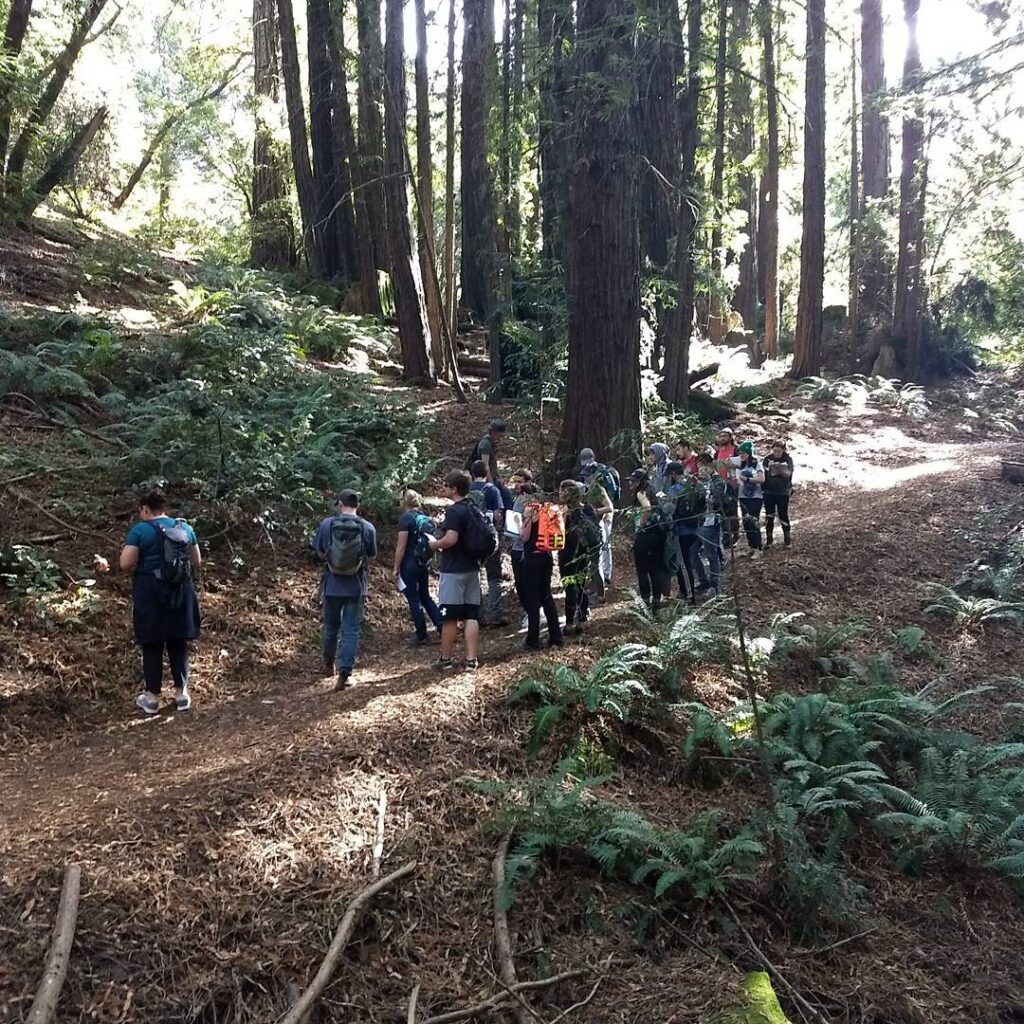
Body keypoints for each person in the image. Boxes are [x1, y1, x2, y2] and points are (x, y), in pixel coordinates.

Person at [120, 489, 201, 714]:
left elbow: (125, 563)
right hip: (181, 590)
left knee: (152, 643)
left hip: (150, 592)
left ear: (145, 509)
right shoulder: (183, 527)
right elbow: (197, 560)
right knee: (177, 641)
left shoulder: (140, 530)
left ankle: (152, 697)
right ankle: (181, 694)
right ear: (163, 508)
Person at [312, 489, 378, 688]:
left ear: (340, 504)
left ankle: (328, 664)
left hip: (331, 585)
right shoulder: (367, 527)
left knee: (331, 626)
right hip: (356, 586)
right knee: (351, 629)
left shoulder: (327, 524)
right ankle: (345, 673)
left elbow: (320, 552)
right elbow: (372, 556)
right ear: (357, 505)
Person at [429, 470, 483, 672]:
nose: (443, 488)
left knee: (450, 616)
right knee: (471, 615)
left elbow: (451, 540)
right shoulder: (473, 508)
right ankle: (471, 659)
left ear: (454, 489)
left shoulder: (454, 512)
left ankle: (446, 659)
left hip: (453, 570)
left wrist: (434, 544)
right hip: (472, 567)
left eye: (445, 485)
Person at [393, 490, 443, 646]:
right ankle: (441, 626)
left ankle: (421, 634)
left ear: (404, 502)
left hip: (409, 563)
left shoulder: (405, 519)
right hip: (422, 562)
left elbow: (401, 547)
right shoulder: (424, 517)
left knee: (413, 598)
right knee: (425, 596)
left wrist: (395, 568)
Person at [518, 498, 564, 650]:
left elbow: (524, 537)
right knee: (546, 596)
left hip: (532, 558)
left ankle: (532, 639)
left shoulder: (530, 510)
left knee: (532, 599)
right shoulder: (549, 511)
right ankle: (556, 636)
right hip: (546, 557)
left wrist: (520, 524)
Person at [559, 480, 602, 634]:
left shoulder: (564, 510)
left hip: (567, 554)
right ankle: (582, 620)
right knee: (582, 585)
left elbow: (560, 532)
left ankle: (569, 623)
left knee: (570, 587)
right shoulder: (588, 509)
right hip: (584, 552)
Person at [665, 461, 710, 604]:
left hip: (681, 529)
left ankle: (689, 595)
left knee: (683, 564)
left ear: (673, 474)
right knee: (690, 559)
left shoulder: (675, 489)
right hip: (697, 527)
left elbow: (668, 510)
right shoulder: (694, 484)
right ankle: (686, 591)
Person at [469, 460, 507, 627]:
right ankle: (495, 614)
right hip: (490, 538)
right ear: (487, 473)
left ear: (472, 474)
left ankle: (478, 615)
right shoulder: (492, 490)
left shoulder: (468, 490)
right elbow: (498, 515)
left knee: (474, 575)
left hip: (471, 539)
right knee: (494, 575)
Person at [629, 469, 670, 614]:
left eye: (633, 481)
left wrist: (641, 523)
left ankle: (646, 601)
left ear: (640, 482)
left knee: (642, 570)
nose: (630, 484)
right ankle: (657, 599)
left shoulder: (641, 493)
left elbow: (646, 507)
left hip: (645, 535)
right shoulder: (652, 491)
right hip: (657, 535)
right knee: (655, 569)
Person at [578, 447, 616, 589]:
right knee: (602, 547)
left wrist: (596, 511)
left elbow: (609, 505)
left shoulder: (599, 481)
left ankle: (605, 576)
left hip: (604, 516)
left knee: (605, 545)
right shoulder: (590, 480)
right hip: (596, 517)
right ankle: (600, 577)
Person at [508, 469, 539, 627]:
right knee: (520, 583)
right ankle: (530, 612)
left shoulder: (532, 500)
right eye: (516, 482)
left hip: (527, 547)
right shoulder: (518, 498)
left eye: (520, 482)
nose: (517, 485)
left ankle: (533, 614)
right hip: (517, 545)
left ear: (528, 482)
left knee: (527, 583)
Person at [697, 452, 729, 595]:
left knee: (712, 554)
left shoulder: (718, 482)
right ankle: (704, 581)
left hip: (712, 521)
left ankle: (716, 586)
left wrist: (705, 497)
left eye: (701, 468)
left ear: (709, 466)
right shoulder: (704, 482)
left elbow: (718, 502)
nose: (699, 471)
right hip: (702, 520)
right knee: (693, 552)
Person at [467, 419, 512, 507]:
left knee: (507, 495)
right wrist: (491, 483)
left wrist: (499, 478)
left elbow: (493, 465)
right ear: (494, 432)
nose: (500, 437)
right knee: (505, 497)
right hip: (487, 479)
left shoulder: (491, 443)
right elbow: (485, 465)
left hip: (493, 478)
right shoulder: (486, 444)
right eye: (499, 435)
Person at [735, 441, 765, 557]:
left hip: (755, 497)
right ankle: (752, 546)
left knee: (753, 522)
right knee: (746, 523)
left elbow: (761, 479)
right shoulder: (740, 465)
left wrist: (746, 479)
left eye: (743, 453)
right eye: (740, 453)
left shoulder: (757, 464)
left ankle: (758, 548)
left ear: (749, 453)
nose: (741, 455)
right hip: (743, 497)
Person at [762, 440, 794, 548]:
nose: (776, 453)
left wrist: (779, 469)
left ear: (783, 450)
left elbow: (788, 474)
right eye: (774, 451)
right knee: (769, 515)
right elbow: (763, 472)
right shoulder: (767, 459)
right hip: (768, 491)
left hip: (783, 491)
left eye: (778, 451)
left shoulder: (787, 459)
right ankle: (769, 540)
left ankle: (787, 539)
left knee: (783, 514)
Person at [715, 428, 741, 545]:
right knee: (722, 510)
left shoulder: (735, 450)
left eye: (725, 436)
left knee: (732, 509)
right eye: (721, 436)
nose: (722, 438)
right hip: (720, 484)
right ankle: (726, 535)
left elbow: (740, 464)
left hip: (732, 484)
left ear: (730, 437)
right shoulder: (718, 452)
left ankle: (735, 534)